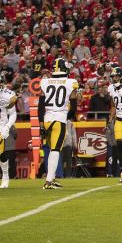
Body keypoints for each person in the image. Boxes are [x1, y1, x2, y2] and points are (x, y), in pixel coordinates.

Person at [38, 58, 80, 190]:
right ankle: (49, 181)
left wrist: (40, 124)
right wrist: (67, 116)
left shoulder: (45, 81)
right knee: (56, 150)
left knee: (51, 150)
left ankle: (52, 178)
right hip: (59, 119)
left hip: (47, 119)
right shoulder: (71, 82)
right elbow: (73, 107)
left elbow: (40, 105)